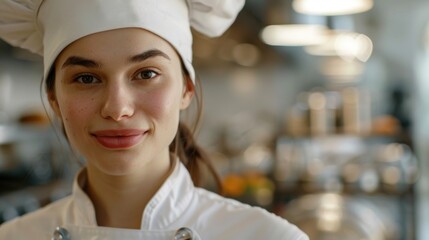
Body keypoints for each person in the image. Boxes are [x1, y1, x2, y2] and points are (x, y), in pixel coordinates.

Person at [0, 0, 309, 239]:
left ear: (186, 88)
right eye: (85, 78)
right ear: (54, 98)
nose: (117, 108)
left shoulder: (267, 236)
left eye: (146, 74)